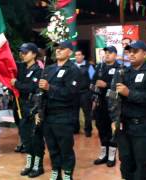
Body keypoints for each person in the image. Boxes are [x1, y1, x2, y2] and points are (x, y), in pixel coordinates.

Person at [111, 40, 146, 179]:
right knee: (126, 162)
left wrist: (129, 93)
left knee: (142, 163)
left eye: (135, 51)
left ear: (144, 54)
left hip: (144, 127)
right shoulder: (122, 72)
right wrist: (114, 118)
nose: (131, 54)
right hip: (124, 127)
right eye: (129, 51)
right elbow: (112, 96)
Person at [37, 41, 80, 180]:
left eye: (62, 49)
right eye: (57, 49)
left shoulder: (73, 70)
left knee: (65, 148)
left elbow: (71, 93)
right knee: (52, 147)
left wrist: (50, 88)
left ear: (70, 52)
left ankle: (67, 173)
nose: (58, 51)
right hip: (48, 115)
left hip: (64, 116)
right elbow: (41, 93)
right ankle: (56, 170)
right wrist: (39, 111)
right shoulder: (48, 69)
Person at [10, 42, 45, 177]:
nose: (22, 55)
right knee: (25, 137)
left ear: (34, 54)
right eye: (22, 52)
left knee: (35, 137)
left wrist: (16, 84)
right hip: (21, 106)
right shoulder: (22, 69)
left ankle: (38, 165)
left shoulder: (38, 70)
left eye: (26, 52)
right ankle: (29, 163)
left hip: (33, 107)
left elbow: (31, 87)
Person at [92, 46, 120, 167]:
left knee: (112, 131)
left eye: (110, 53)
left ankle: (112, 156)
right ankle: (103, 154)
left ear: (115, 55)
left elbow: (121, 87)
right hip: (100, 103)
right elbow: (93, 83)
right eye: (106, 53)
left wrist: (107, 85)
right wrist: (94, 91)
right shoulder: (99, 67)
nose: (107, 55)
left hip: (113, 104)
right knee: (101, 129)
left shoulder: (120, 68)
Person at [73, 50, 95, 137]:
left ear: (83, 56)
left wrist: (92, 93)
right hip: (74, 93)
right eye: (76, 55)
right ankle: (75, 129)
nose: (77, 57)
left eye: (79, 55)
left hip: (85, 93)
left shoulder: (89, 66)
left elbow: (93, 79)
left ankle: (88, 130)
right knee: (74, 112)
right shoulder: (72, 66)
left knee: (87, 113)